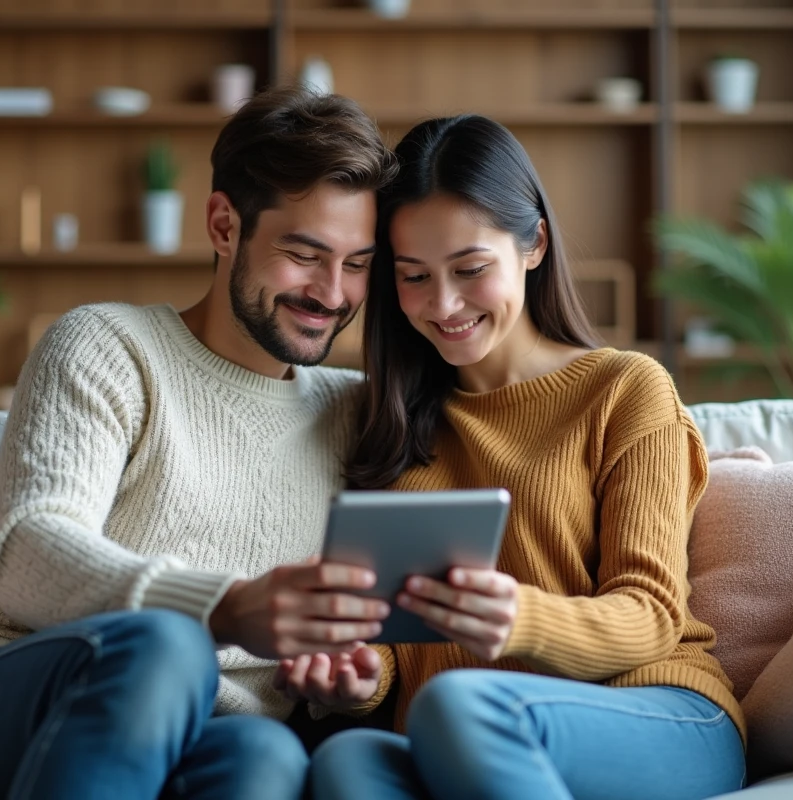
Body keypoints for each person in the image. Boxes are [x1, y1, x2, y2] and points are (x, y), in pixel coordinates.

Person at [0, 88, 399, 800]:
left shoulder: (355, 411)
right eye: (304, 253)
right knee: (171, 644)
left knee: (268, 754)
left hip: (211, 730)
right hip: (3, 693)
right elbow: (29, 552)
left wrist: (345, 680)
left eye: (358, 264)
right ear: (224, 225)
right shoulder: (109, 346)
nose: (333, 292)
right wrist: (224, 607)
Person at [274, 114, 747, 800]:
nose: (443, 305)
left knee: (460, 705)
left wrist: (519, 618)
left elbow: (650, 614)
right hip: (458, 729)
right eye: (413, 277)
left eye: (470, 269)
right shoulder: (388, 421)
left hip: (660, 712)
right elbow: (398, 639)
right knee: (348, 764)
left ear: (534, 245)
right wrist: (362, 678)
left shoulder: (624, 389)